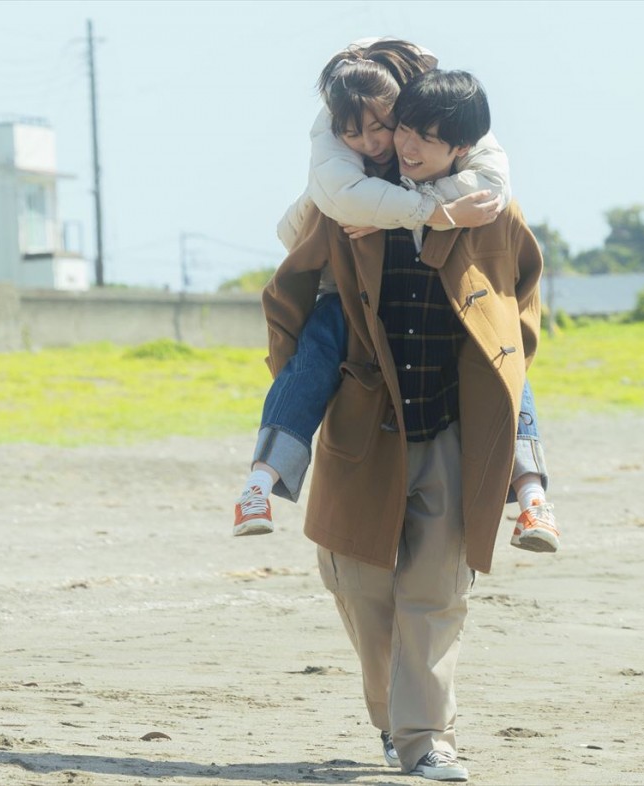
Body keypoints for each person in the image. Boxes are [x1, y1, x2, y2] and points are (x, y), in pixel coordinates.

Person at [261, 67, 544, 782]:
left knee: (436, 593)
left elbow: (516, 305)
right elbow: (291, 275)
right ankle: (394, 719)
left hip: (451, 428)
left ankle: (426, 739)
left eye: (427, 137)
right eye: (404, 129)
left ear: (462, 149)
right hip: (364, 426)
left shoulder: (492, 208)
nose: (406, 146)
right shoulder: (353, 203)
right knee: (358, 583)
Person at [233, 39, 559, 557]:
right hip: (343, 292)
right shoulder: (334, 148)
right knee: (314, 355)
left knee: (499, 350)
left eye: (385, 125)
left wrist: (404, 211)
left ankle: (533, 495)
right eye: (354, 131)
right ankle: (260, 481)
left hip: (447, 312)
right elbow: (317, 219)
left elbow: (494, 190)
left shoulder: (454, 134)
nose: (374, 142)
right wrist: (402, 212)